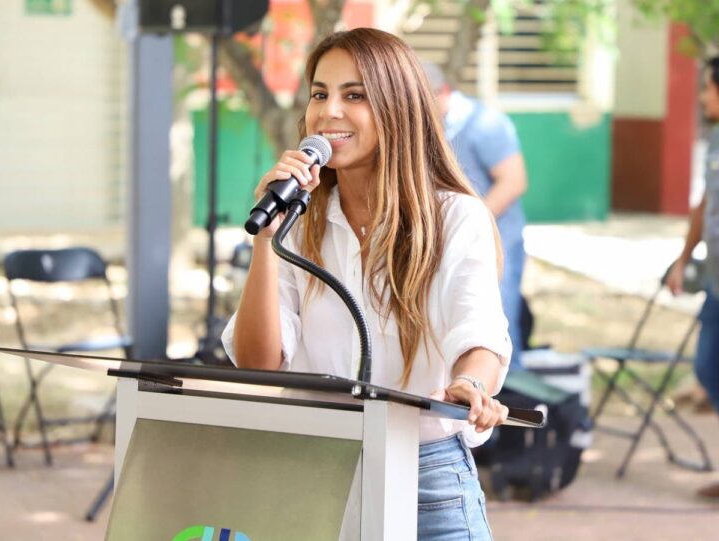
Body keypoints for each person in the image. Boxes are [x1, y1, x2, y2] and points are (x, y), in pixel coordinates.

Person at [222, 28, 511, 540]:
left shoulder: (455, 217)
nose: (329, 111)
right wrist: (267, 239)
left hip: (424, 479)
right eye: (319, 94)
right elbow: (258, 362)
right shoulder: (298, 224)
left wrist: (472, 384)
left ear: (397, 108)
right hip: (314, 469)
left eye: (354, 95)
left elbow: (479, 333)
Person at [423, 63, 528, 370]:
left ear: (442, 92)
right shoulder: (432, 127)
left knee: (496, 329)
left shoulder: (485, 124)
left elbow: (513, 181)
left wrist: (465, 225)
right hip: (446, 243)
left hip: (496, 242)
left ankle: (505, 408)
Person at [665, 56, 719, 500]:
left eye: (708, 88)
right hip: (716, 279)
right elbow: (703, 205)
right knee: (707, 366)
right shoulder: (716, 140)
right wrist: (683, 259)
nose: (702, 97)